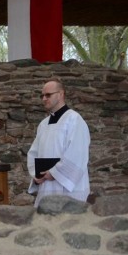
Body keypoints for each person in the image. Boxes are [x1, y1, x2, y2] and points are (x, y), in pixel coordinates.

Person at [27, 78, 90, 206]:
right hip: (46, 186)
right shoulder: (43, 124)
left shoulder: (74, 119)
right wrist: (37, 175)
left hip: (68, 188)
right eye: (42, 95)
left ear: (61, 94)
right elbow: (33, 153)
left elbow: (78, 153)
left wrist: (55, 173)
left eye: (48, 95)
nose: (44, 98)